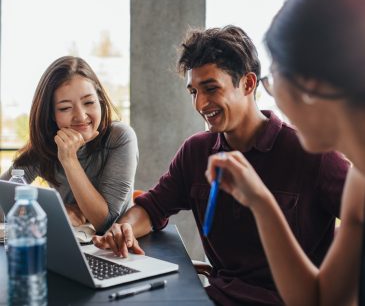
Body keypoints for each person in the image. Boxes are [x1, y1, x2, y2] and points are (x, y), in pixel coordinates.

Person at [93, 26, 349, 305]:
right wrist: (125, 228)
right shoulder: (196, 151)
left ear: (248, 84)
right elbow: (152, 207)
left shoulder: (312, 154)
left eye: (211, 88)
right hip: (215, 297)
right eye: (193, 92)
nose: (201, 103)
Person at [205, 0, 365, 305]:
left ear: (311, 84)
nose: (273, 99)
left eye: (274, 78)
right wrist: (261, 202)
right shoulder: (359, 183)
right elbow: (319, 300)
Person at [0, 56, 138, 234]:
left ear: (100, 101)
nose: (80, 116)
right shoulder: (46, 145)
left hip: (116, 250)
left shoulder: (119, 137)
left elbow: (104, 222)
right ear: (51, 115)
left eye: (89, 102)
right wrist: (57, 210)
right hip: (68, 246)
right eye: (65, 108)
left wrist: (69, 159)